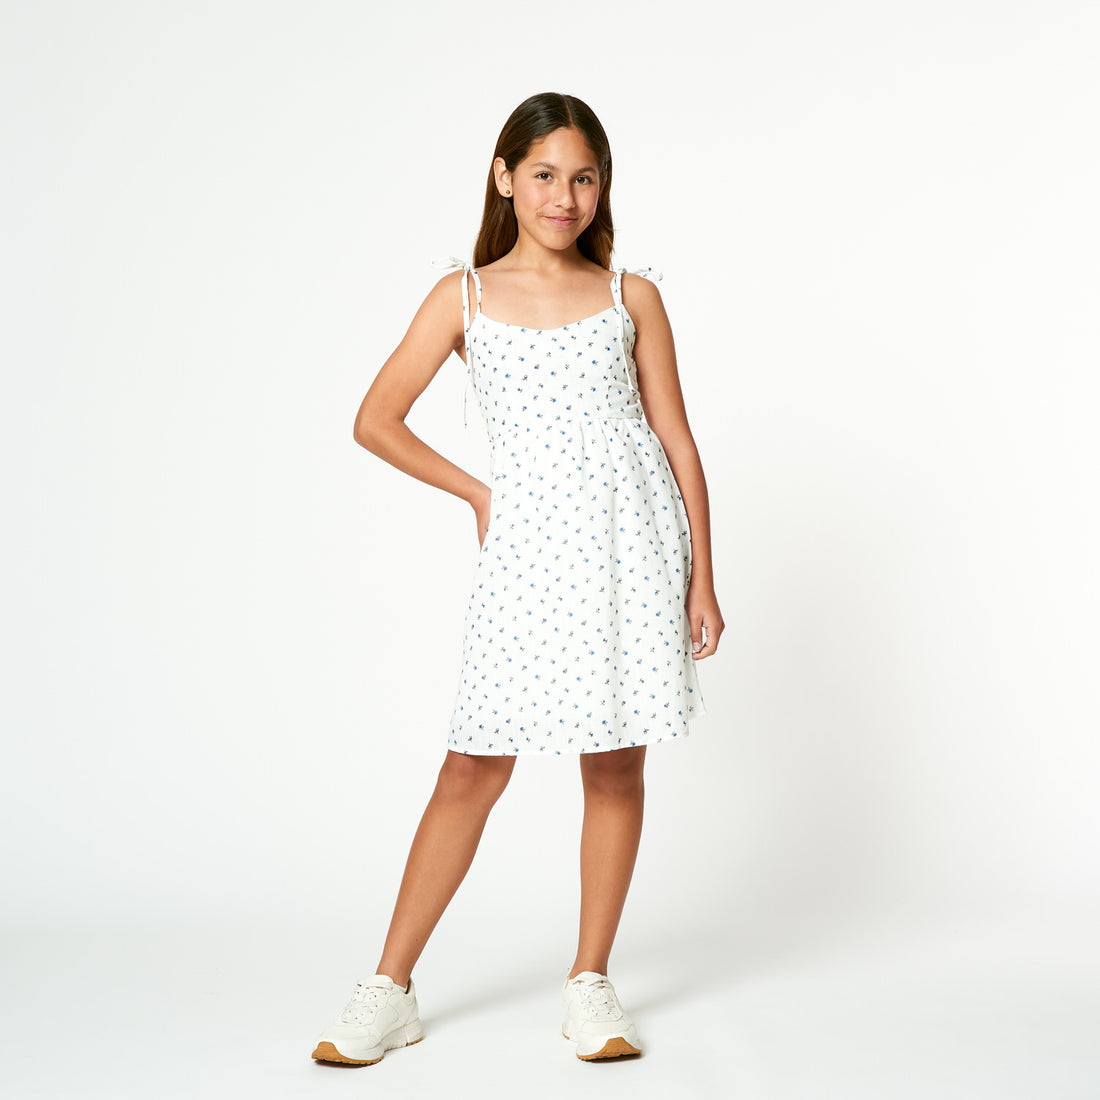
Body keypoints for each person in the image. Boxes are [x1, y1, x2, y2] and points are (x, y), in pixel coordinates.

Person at [311, 91, 724, 1066]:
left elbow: (675, 438)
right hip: (529, 555)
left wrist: (702, 576)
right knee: (472, 764)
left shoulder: (630, 295)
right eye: (543, 174)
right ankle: (389, 987)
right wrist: (475, 493)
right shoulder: (461, 297)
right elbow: (375, 419)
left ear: (602, 187)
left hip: (631, 548)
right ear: (503, 177)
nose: (563, 196)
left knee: (614, 761)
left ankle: (590, 981)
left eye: (583, 177)